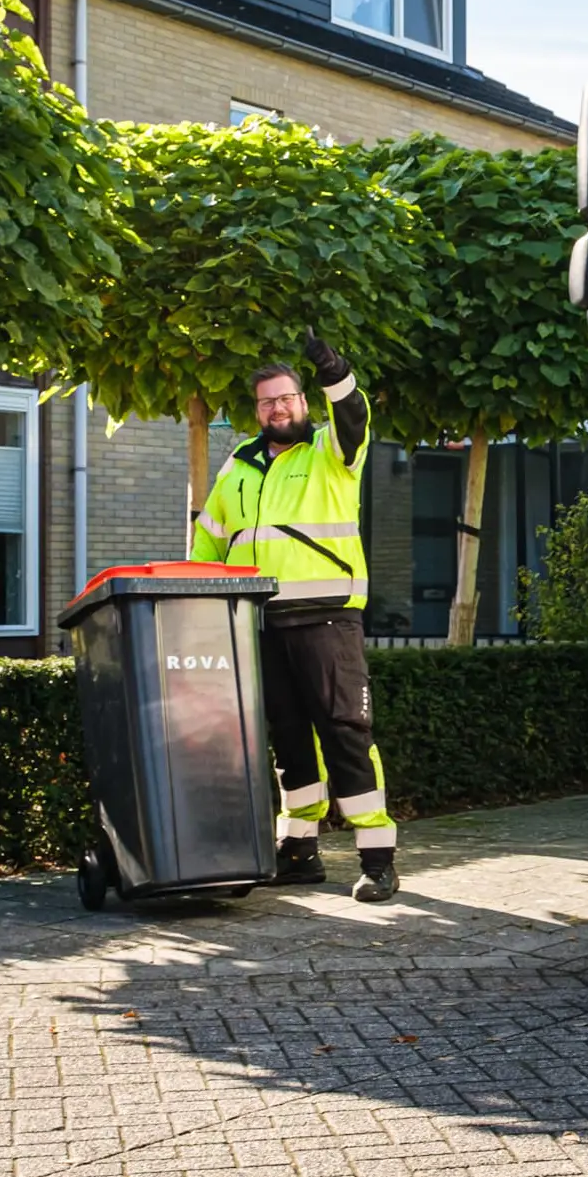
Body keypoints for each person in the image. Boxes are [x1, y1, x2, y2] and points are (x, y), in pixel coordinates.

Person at [190, 333, 397, 903]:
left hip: (327, 620)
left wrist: (334, 365)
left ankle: (377, 858)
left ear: (304, 402)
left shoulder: (333, 451)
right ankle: (299, 853)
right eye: (266, 402)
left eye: (286, 398)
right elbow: (208, 542)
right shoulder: (239, 465)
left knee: (345, 735)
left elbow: (354, 411)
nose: (277, 408)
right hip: (256, 622)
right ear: (256, 411)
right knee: (287, 741)